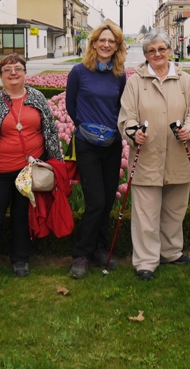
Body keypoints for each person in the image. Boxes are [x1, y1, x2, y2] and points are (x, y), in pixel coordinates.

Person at [0, 54, 63, 287]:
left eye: (18, 68)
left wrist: (57, 164)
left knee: (22, 217)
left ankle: (20, 260)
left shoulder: (37, 98)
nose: (13, 73)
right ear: (1, 75)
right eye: (7, 70)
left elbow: (50, 131)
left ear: (25, 73)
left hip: (29, 172)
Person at [118, 29, 190, 280]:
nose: (157, 54)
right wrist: (134, 133)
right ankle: (146, 261)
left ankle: (171, 252)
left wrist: (189, 129)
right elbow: (126, 117)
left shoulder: (185, 80)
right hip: (146, 157)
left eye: (161, 49)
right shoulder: (135, 82)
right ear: (145, 54)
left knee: (174, 211)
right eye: (151, 50)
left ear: (170, 50)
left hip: (178, 155)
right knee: (145, 213)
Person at [66, 24, 128, 279]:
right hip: (87, 144)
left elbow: (122, 107)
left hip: (112, 144)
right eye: (102, 40)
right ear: (93, 43)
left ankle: (100, 248)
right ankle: (81, 254)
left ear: (117, 46)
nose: (106, 45)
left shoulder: (119, 75)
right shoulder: (79, 72)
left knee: (108, 199)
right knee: (96, 201)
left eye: (111, 41)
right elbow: (70, 105)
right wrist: (85, 127)